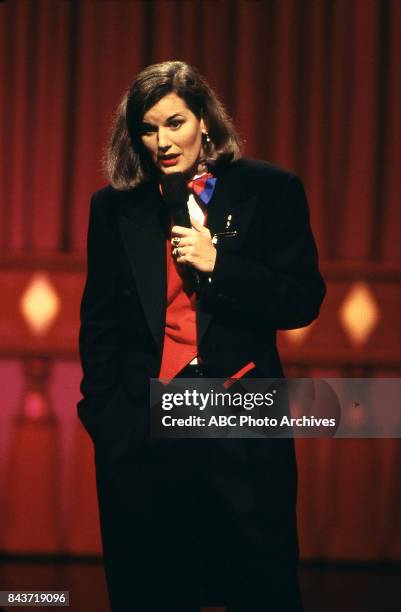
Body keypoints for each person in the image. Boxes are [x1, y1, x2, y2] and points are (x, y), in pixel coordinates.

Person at [77, 60, 326, 612]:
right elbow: (99, 327)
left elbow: (302, 299)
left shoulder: (271, 190)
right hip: (143, 436)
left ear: (204, 121)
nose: (162, 141)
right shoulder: (115, 208)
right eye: (147, 128)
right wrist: (109, 421)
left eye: (174, 122)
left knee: (260, 591)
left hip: (240, 432)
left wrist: (220, 266)